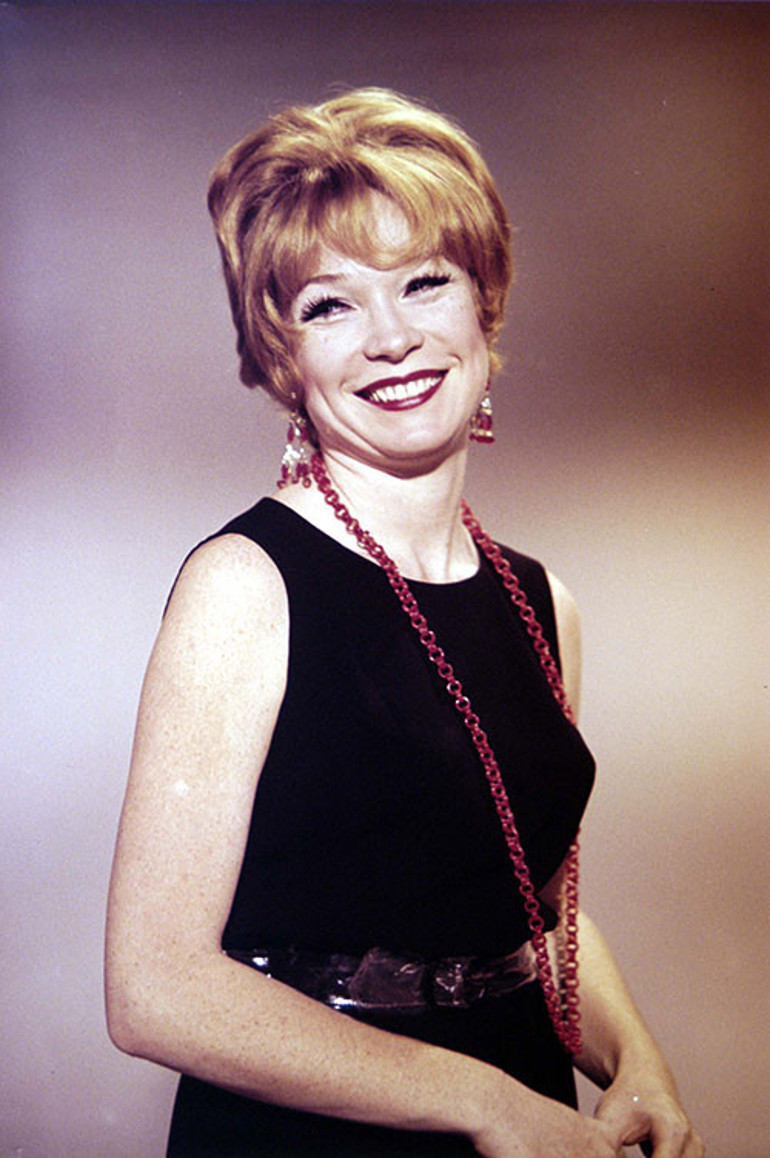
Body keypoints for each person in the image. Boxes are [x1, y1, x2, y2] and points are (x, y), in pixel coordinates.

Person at [105, 88, 703, 1157]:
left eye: (425, 283)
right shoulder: (245, 585)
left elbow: (536, 913)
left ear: (484, 306)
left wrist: (637, 1063)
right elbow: (156, 989)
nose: (390, 338)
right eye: (328, 306)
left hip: (524, 1108)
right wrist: (486, 1104)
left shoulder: (539, 602)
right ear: (281, 358)